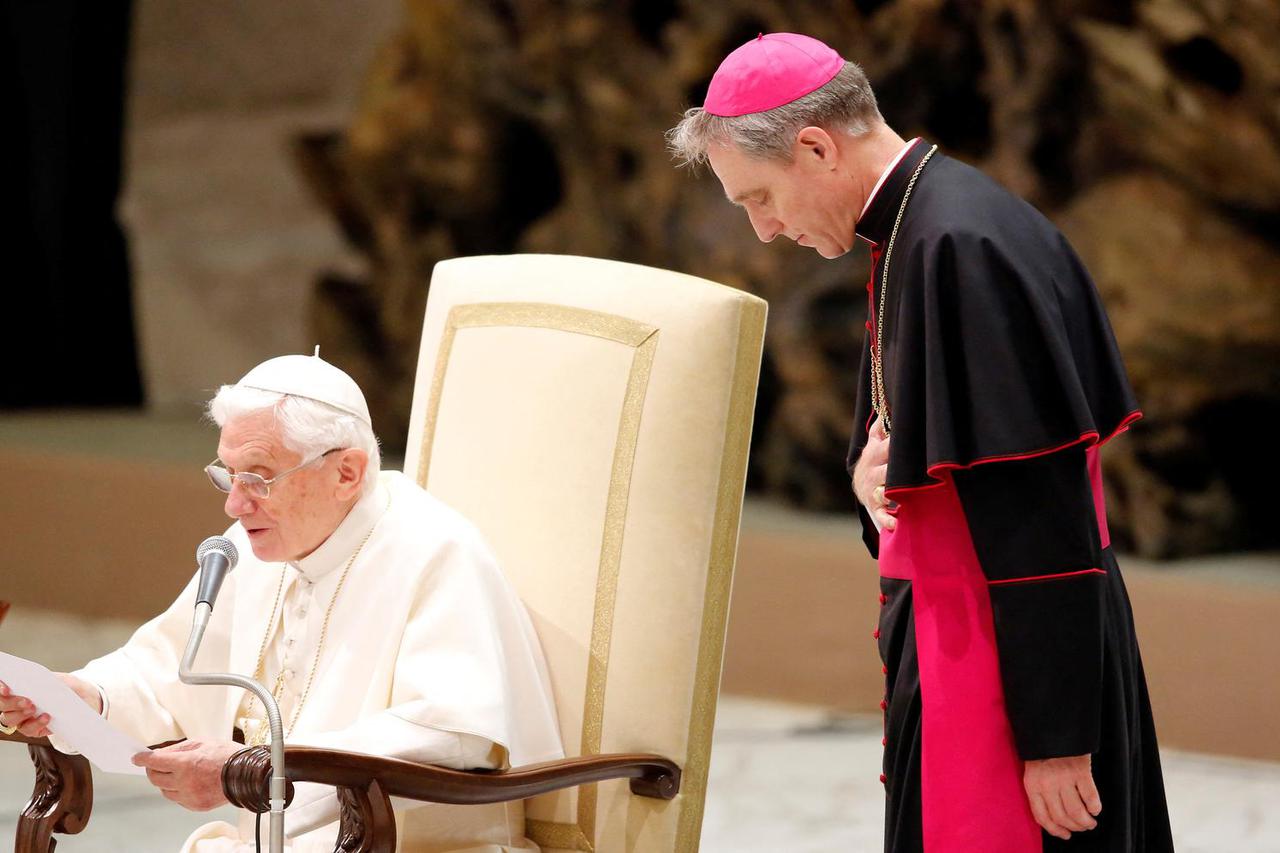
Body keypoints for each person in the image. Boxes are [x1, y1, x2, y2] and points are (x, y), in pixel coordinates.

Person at [668, 32, 1172, 853]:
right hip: (958, 641)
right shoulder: (918, 228)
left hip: (1004, 676)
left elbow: (1041, 510)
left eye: (759, 197)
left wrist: (1054, 738)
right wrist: (876, 485)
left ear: (816, 146)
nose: (764, 230)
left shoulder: (960, 246)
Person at [0, 352, 563, 852]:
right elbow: (165, 671)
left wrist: (256, 770)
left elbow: (455, 734)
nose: (235, 506)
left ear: (346, 472)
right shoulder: (256, 550)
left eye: (259, 478)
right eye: (228, 475)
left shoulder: (434, 551)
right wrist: (83, 697)